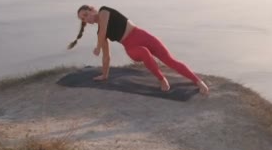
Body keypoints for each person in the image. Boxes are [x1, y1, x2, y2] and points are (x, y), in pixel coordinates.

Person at [67, 5, 209, 95]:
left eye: (86, 14)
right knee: (144, 52)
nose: (86, 19)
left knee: (170, 60)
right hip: (132, 47)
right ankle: (162, 79)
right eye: (83, 19)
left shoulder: (104, 11)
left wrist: (97, 47)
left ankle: (198, 81)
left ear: (93, 9)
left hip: (142, 35)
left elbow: (104, 28)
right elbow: (107, 56)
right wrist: (104, 75)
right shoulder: (100, 35)